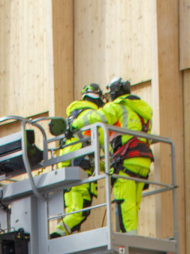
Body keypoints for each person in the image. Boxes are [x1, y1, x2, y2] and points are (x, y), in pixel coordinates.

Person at [70, 77, 153, 233]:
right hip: (144, 160)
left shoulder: (117, 107)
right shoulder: (143, 112)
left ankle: (130, 239)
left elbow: (95, 118)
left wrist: (73, 125)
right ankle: (133, 234)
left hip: (126, 160)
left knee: (125, 203)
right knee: (134, 203)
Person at [49, 83, 105, 238]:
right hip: (80, 167)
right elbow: (101, 142)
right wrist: (111, 161)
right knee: (80, 211)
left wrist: (102, 165)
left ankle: (61, 234)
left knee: (73, 209)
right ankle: (57, 235)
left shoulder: (72, 116)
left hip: (67, 166)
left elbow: (82, 147)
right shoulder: (93, 116)